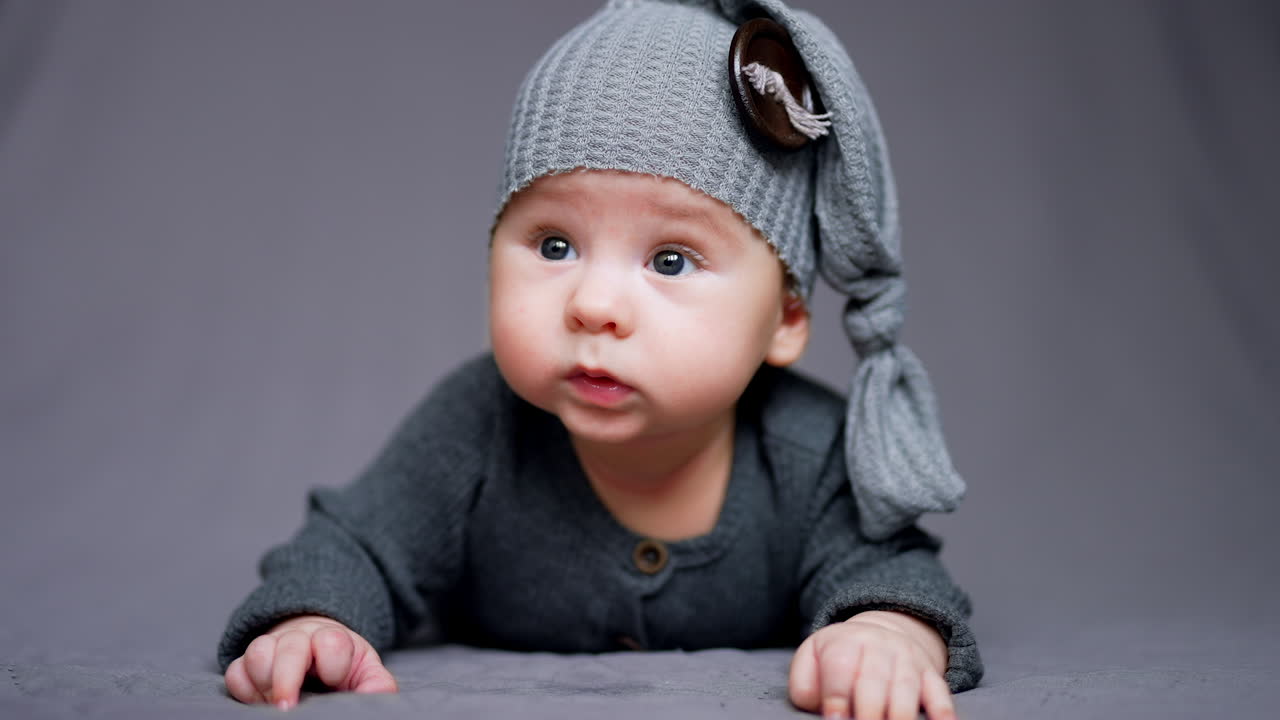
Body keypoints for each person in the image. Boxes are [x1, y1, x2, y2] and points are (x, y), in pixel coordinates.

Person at [218, 1, 983, 718]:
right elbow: (355, 543)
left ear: (785, 318)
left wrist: (887, 632)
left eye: (672, 260)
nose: (593, 304)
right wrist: (313, 620)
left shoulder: (810, 455)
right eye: (555, 245)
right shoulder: (477, 427)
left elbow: (895, 573)